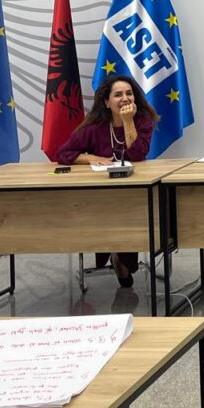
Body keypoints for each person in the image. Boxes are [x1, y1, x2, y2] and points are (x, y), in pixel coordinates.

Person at [57, 74, 158, 288]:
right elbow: (63, 153)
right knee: (113, 210)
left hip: (135, 190)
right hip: (102, 195)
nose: (125, 98)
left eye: (129, 93)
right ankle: (117, 256)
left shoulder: (142, 120)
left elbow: (137, 154)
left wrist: (128, 121)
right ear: (106, 102)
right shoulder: (95, 126)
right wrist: (90, 158)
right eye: (118, 95)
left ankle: (120, 258)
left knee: (131, 210)